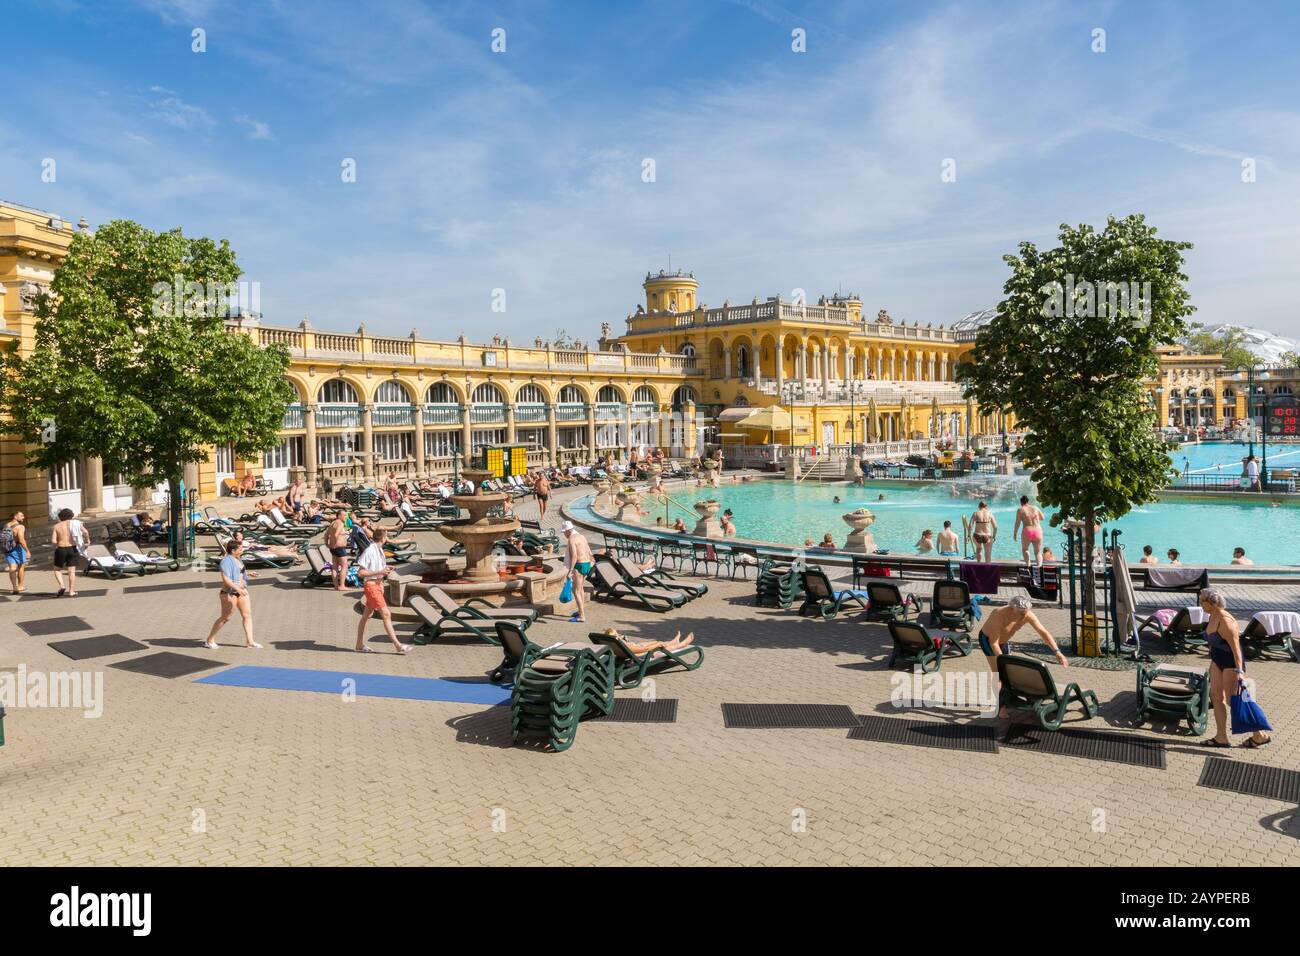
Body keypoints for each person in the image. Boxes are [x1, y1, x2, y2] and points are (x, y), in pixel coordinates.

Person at [1199, 587, 1270, 748]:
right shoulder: (1212, 616)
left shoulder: (1226, 621)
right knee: (1216, 697)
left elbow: (1236, 649)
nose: (1200, 604)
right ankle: (1221, 737)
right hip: (1217, 660)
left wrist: (1239, 672)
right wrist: (1213, 663)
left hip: (1231, 663)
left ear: (1211, 602)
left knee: (1234, 700)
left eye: (1202, 601)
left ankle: (1260, 735)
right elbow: (1213, 643)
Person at [977, 597, 1068, 714]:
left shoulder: (1027, 614)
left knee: (1011, 674)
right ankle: (1001, 707)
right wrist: (1004, 662)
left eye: (1025, 613)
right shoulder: (998, 614)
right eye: (1020, 614)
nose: (1023, 617)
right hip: (988, 640)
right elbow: (994, 643)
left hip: (1003, 641)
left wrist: (1057, 652)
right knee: (1000, 674)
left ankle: (1011, 698)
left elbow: (1043, 633)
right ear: (1011, 609)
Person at [355, 528, 410, 654]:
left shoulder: (379, 550)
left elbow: (376, 568)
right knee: (386, 614)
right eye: (386, 536)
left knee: (366, 616)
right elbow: (361, 572)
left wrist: (385, 568)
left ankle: (359, 644)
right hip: (372, 586)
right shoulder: (370, 550)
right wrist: (380, 572)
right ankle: (398, 645)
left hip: (378, 585)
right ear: (383, 538)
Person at [202, 539, 261, 649]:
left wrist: (248, 573)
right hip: (229, 593)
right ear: (233, 550)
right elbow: (226, 579)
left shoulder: (237, 559)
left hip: (242, 592)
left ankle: (250, 641)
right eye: (240, 549)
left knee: (247, 615)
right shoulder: (226, 561)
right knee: (226, 617)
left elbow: (238, 572)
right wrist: (237, 589)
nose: (242, 550)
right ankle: (210, 640)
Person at [50, 508, 89, 597]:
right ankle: (71, 591)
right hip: (73, 548)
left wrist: (56, 546)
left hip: (61, 549)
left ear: (60, 517)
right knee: (71, 571)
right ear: (71, 515)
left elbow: (53, 541)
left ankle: (62, 586)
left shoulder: (56, 526)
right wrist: (87, 541)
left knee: (57, 569)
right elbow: (85, 532)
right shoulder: (76, 524)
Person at [562, 521, 594, 623]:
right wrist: (592, 562)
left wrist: (570, 570)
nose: (564, 534)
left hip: (579, 565)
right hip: (587, 564)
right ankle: (581, 611)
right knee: (580, 589)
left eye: (564, 532)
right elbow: (589, 551)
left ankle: (582, 616)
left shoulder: (571, 539)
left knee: (576, 591)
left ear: (567, 531)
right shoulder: (582, 536)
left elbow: (574, 556)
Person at [1012, 495, 1044, 565]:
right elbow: (1042, 518)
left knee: (1025, 549)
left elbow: (1017, 523)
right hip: (1037, 531)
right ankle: (1039, 568)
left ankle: (1028, 567)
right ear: (1028, 501)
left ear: (1021, 502)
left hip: (1027, 531)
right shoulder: (1035, 507)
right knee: (1038, 552)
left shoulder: (1020, 510)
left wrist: (1015, 533)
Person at [3, 511, 29, 594]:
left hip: (7, 549)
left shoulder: (6, 525)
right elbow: (21, 540)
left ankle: (14, 587)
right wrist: (27, 550)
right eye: (21, 515)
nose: (23, 517)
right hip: (17, 549)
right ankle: (20, 586)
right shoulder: (20, 527)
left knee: (12, 568)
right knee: (21, 567)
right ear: (15, 516)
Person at [327, 509, 351, 590]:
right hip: (339, 548)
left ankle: (336, 586)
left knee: (335, 567)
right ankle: (342, 586)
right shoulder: (340, 523)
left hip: (333, 548)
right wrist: (345, 533)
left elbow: (326, 535)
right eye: (344, 515)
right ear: (339, 516)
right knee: (345, 566)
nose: (346, 517)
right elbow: (336, 534)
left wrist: (328, 544)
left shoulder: (332, 523)